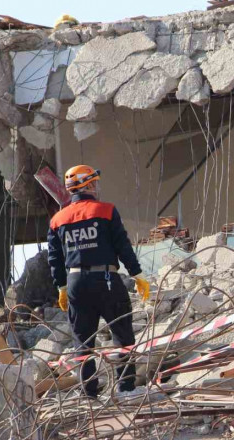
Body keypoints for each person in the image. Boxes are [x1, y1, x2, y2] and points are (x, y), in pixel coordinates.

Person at [47, 165, 151, 399]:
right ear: (88, 185)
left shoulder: (57, 219)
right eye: (94, 182)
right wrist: (137, 274)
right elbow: (121, 245)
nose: (97, 186)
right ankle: (126, 389)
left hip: (75, 283)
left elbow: (54, 258)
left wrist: (61, 286)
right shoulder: (105, 210)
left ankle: (89, 396)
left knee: (83, 343)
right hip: (106, 280)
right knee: (123, 336)